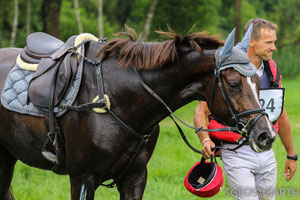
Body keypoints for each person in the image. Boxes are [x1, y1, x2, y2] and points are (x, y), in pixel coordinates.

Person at [194, 18, 297, 200]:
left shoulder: (271, 69)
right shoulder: (230, 70)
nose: (274, 47)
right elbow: (201, 111)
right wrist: (204, 140)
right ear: (251, 41)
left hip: (266, 149)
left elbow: (280, 114)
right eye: (269, 42)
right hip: (236, 151)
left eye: (274, 42)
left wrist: (291, 154)